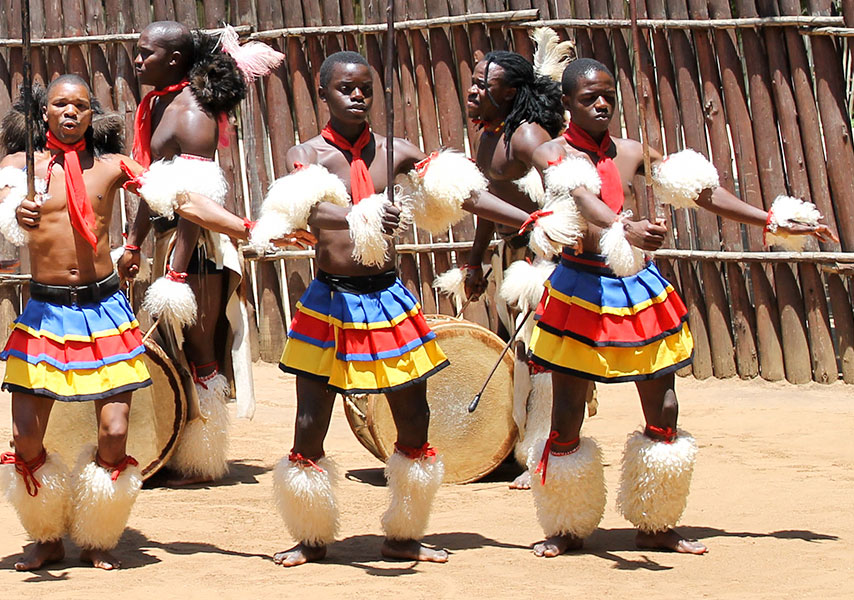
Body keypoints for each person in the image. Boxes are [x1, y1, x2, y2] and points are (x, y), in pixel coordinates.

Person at [522, 58, 835, 558]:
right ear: (566, 103)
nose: (601, 104)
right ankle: (566, 526)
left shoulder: (631, 151)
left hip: (636, 288)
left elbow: (704, 193)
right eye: (588, 98)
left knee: (664, 406)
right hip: (580, 289)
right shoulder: (550, 152)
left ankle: (656, 522)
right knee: (567, 415)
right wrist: (624, 227)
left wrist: (774, 220)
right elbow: (580, 198)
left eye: (607, 95)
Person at [256, 52, 536, 567]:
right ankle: (311, 537)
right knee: (309, 420)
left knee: (414, 416)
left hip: (387, 297)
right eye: (345, 88)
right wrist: (359, 213)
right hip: (331, 300)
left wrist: (529, 220)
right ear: (324, 95)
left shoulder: (398, 151)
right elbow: (310, 211)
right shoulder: (308, 154)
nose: (358, 95)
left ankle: (404, 535)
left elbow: (468, 196)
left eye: (366, 87)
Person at [0, 75, 253, 572]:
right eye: (60, 105)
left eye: (80, 106)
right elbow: (0, 206)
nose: (69, 113)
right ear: (44, 113)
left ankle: (98, 534)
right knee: (26, 438)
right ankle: (46, 534)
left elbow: (179, 198)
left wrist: (244, 227)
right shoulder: (20, 169)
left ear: (90, 114)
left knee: (115, 432)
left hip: (103, 309)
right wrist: (18, 211)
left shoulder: (112, 167)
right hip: (47, 312)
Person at [119, 21, 284, 487]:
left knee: (199, 349)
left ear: (173, 60)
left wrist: (176, 270)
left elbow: (195, 199)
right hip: (170, 240)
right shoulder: (158, 104)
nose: (137, 60)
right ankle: (178, 449)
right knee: (175, 346)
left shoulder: (191, 112)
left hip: (197, 248)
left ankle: (204, 460)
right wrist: (133, 243)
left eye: (145, 53)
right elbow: (154, 188)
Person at [450, 29, 581, 490]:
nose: (473, 90)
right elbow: (485, 201)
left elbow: (566, 190)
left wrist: (554, 252)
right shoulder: (490, 135)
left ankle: (546, 448)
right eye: (473, 82)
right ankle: (520, 442)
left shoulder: (528, 136)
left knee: (542, 354)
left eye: (484, 85)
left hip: (544, 259)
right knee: (517, 349)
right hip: (513, 254)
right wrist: (474, 261)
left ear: (511, 93)